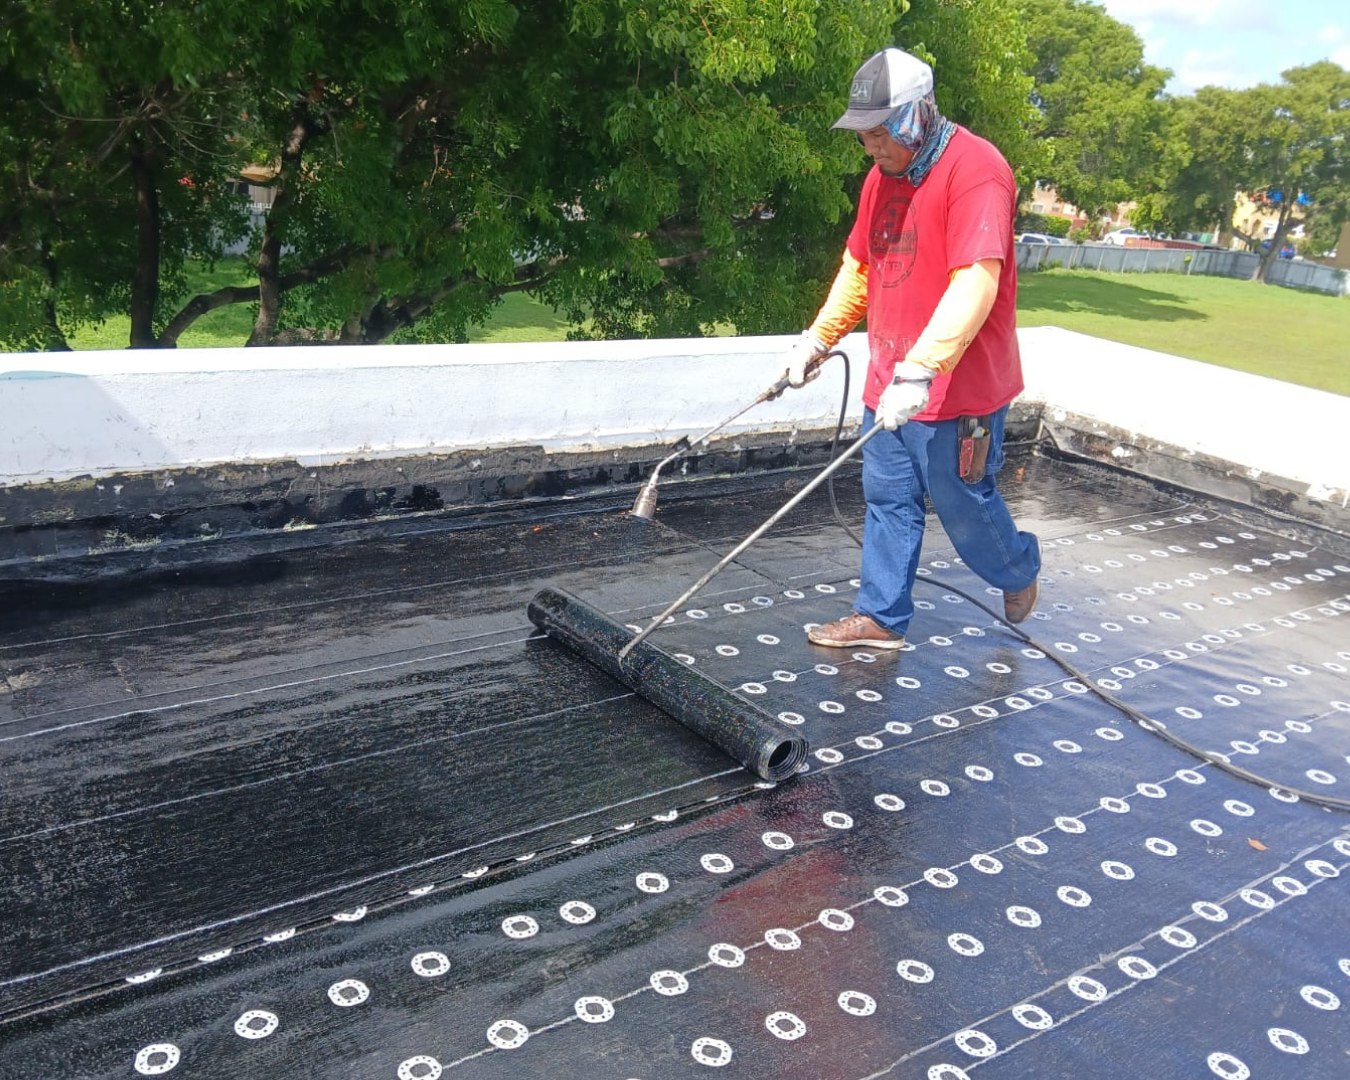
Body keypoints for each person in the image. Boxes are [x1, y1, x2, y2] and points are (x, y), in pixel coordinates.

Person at [783, 46, 1041, 650]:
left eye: (878, 133)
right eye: (863, 136)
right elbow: (859, 266)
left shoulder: (976, 169)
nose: (870, 148)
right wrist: (818, 339)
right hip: (890, 378)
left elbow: (977, 280)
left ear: (915, 116)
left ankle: (1017, 568)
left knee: (962, 503)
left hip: (958, 388)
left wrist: (922, 368)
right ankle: (881, 616)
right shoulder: (882, 178)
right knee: (888, 499)